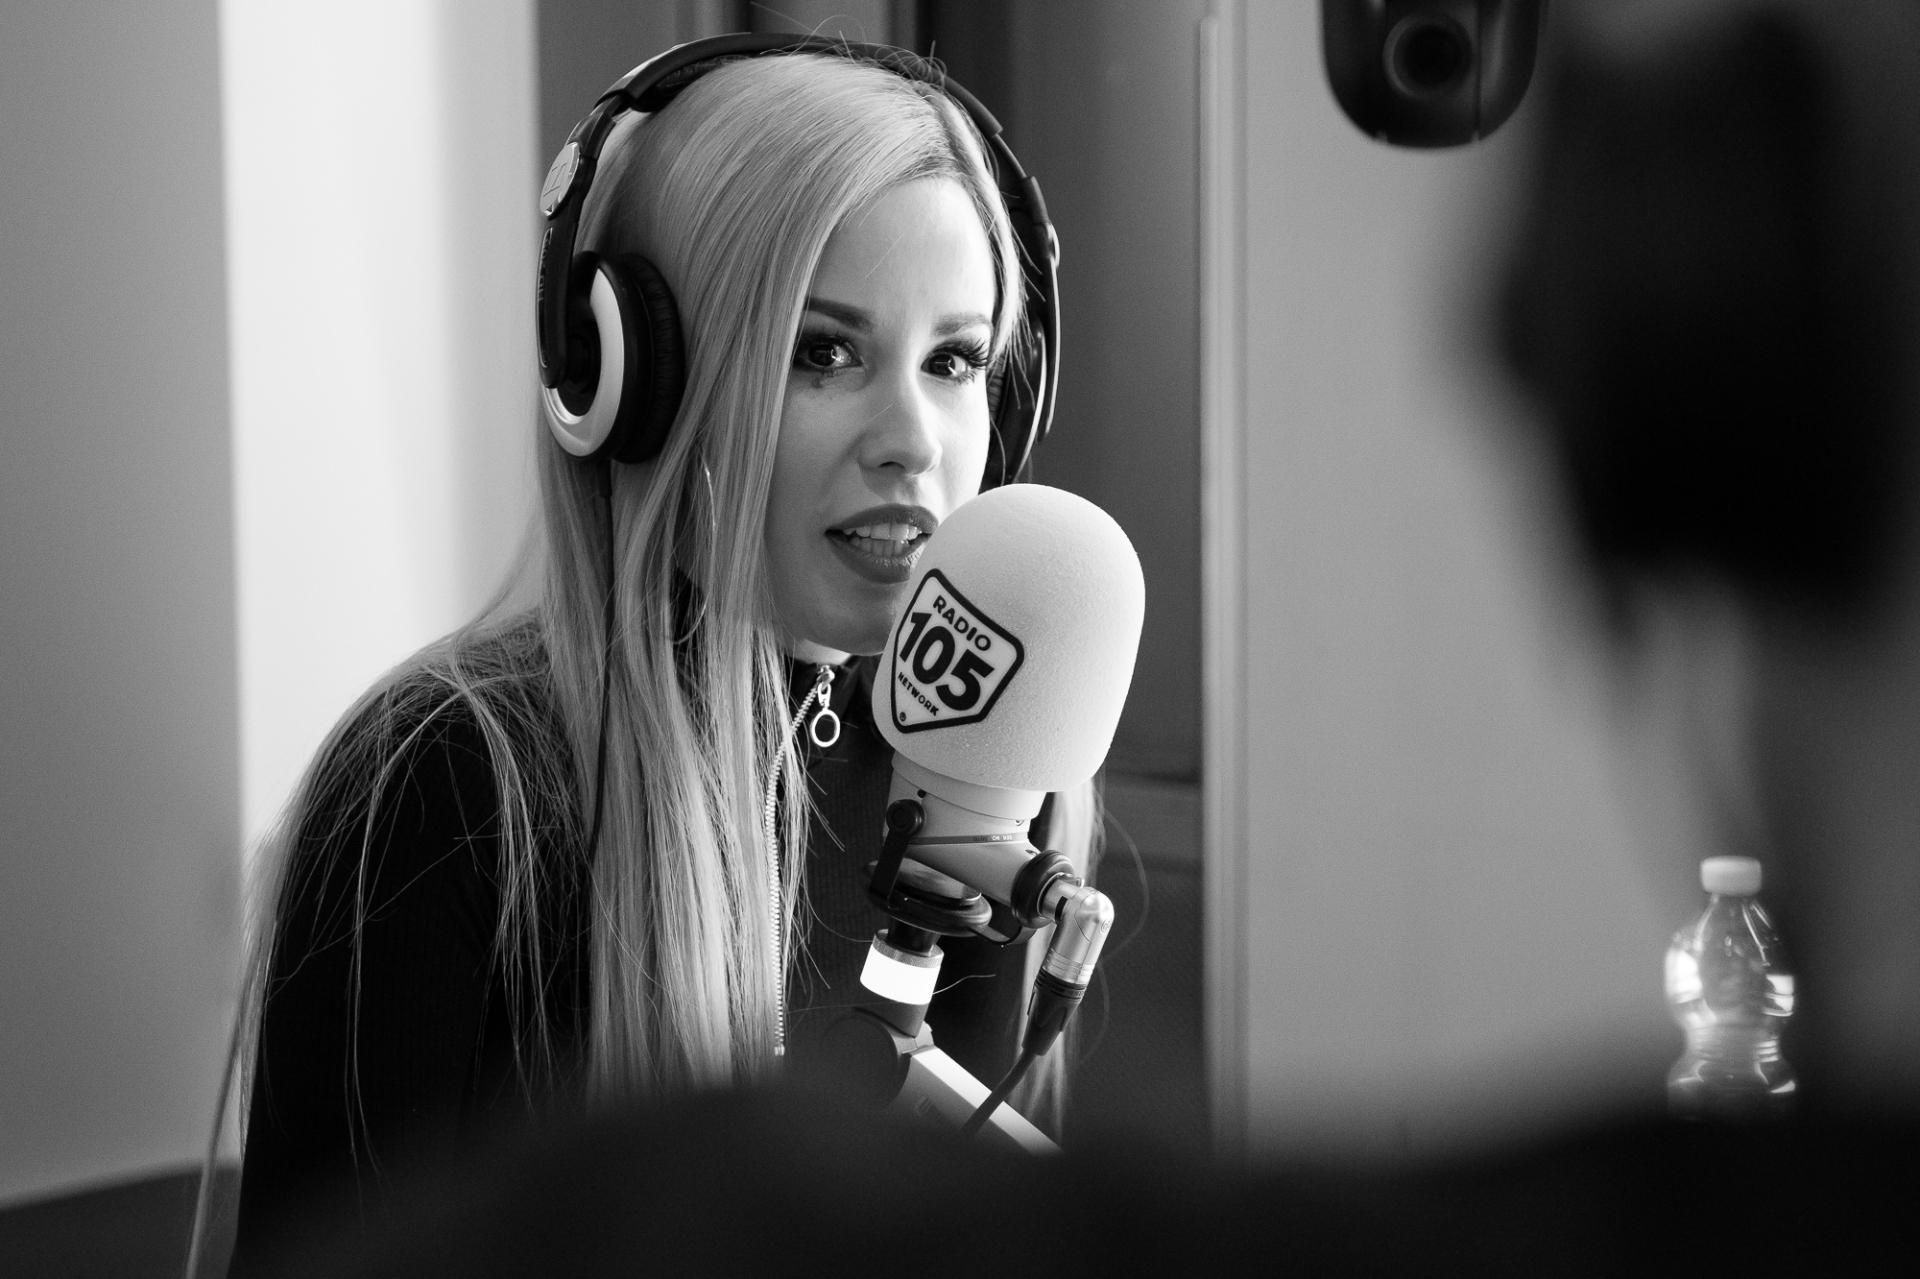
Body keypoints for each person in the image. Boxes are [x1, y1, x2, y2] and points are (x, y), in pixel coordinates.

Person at [216, 37, 1094, 1274]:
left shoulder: (979, 764)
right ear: (633, 376)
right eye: (822, 351)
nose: (915, 439)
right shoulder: (444, 785)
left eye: (955, 361)